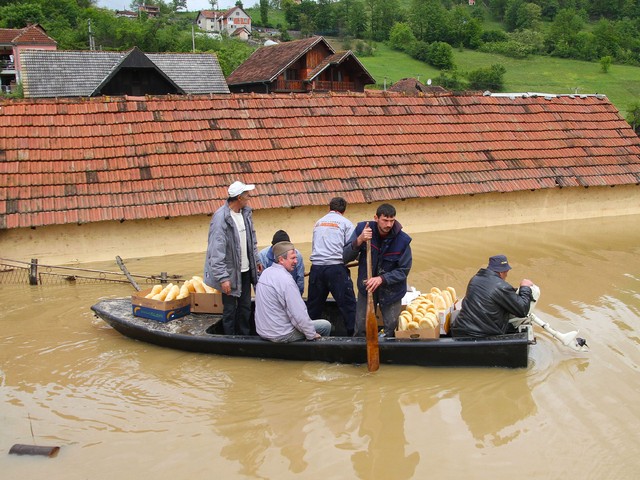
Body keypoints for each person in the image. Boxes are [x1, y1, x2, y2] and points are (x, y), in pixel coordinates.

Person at [343, 203, 412, 338]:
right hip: (367, 288)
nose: (389, 224)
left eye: (392, 220)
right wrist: (360, 240)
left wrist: (382, 279)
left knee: (391, 329)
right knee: (361, 328)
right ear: (376, 218)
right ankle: (360, 355)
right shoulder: (363, 229)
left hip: (392, 291)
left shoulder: (402, 240)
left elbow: (403, 271)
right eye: (385, 220)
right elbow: (345, 257)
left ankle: (388, 356)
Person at [204, 180, 263, 335]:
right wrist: (223, 278)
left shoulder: (245, 214)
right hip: (230, 273)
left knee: (245, 306)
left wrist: (256, 260)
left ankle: (244, 336)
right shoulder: (221, 218)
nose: (249, 197)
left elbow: (252, 240)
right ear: (238, 198)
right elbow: (216, 252)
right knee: (230, 309)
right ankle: (229, 339)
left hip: (244, 271)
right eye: (246, 195)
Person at [255, 241, 332, 342]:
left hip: (263, 331)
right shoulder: (286, 280)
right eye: (292, 258)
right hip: (281, 334)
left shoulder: (265, 273)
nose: (296, 261)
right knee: (325, 325)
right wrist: (311, 334)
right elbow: (298, 315)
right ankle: (318, 354)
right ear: (281, 260)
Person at [307, 197, 357, 336]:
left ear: (329, 208)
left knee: (313, 307)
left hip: (316, 269)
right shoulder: (346, 223)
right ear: (344, 210)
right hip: (335, 269)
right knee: (348, 305)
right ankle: (354, 336)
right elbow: (351, 248)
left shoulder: (318, 223)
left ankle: (308, 334)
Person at [451, 254, 534, 338]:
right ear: (501, 272)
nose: (507, 275)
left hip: (460, 329)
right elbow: (522, 310)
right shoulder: (501, 286)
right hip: (481, 334)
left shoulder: (475, 279)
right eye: (506, 272)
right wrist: (525, 287)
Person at [258, 230, 305, 294]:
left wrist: (298, 296)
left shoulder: (297, 255)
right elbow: (260, 282)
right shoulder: (262, 256)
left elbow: (300, 279)